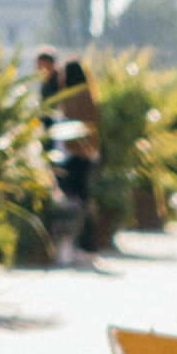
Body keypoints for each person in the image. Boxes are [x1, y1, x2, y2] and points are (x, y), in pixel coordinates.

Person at [51, 56, 100, 252]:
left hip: (72, 157)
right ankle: (83, 244)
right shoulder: (88, 95)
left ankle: (80, 244)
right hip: (82, 156)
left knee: (74, 201)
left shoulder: (73, 97)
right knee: (82, 200)